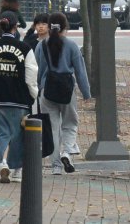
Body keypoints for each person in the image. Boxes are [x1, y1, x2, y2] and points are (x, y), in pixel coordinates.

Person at [36, 12, 90, 174]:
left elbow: (38, 69)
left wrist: (39, 87)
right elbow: (81, 72)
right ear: (65, 28)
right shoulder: (72, 46)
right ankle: (67, 152)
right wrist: (86, 93)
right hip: (67, 91)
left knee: (52, 129)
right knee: (70, 123)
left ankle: (56, 167)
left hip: (47, 91)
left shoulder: (41, 45)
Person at [0, 11, 37, 184]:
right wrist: (33, 94)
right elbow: (31, 74)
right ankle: (16, 169)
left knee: (2, 133)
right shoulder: (25, 48)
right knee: (17, 134)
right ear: (16, 27)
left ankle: (3, 162)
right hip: (19, 98)